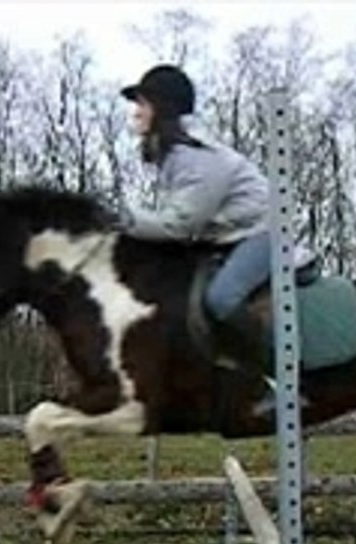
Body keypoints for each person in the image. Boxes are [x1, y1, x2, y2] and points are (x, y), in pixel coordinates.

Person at [117, 64, 273, 375]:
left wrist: (122, 219)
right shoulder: (176, 152)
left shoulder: (194, 154)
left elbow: (180, 225)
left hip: (264, 234)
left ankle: (275, 376)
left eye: (143, 104)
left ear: (162, 107)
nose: (137, 113)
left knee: (222, 299)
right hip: (229, 237)